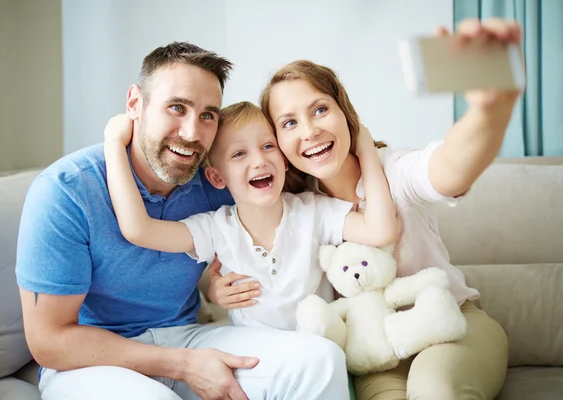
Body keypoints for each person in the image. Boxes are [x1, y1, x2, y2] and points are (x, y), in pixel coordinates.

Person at [16, 42, 350, 400]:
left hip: (189, 335)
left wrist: (214, 286)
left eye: (208, 115)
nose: (192, 133)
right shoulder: (65, 192)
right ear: (135, 105)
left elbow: (271, 212)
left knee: (320, 360)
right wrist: (182, 364)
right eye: (177, 107)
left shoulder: (215, 178)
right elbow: (49, 342)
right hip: (95, 362)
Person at [210, 19, 519, 400]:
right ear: (278, 144)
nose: (309, 131)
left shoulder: (393, 171)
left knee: (434, 390)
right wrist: (213, 287)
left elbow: (448, 170)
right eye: (289, 122)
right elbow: (227, 231)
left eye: (320, 110)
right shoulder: (295, 207)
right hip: (375, 353)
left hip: (453, 324)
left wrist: (487, 111)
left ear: (345, 113)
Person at [103, 101, 398, 332]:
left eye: (268, 146)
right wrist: (114, 144)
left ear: (283, 160)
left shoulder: (314, 211)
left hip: (318, 348)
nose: (259, 160)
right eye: (239, 154)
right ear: (217, 177)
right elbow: (139, 230)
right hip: (258, 358)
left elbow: (381, 231)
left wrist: (366, 148)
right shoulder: (215, 228)